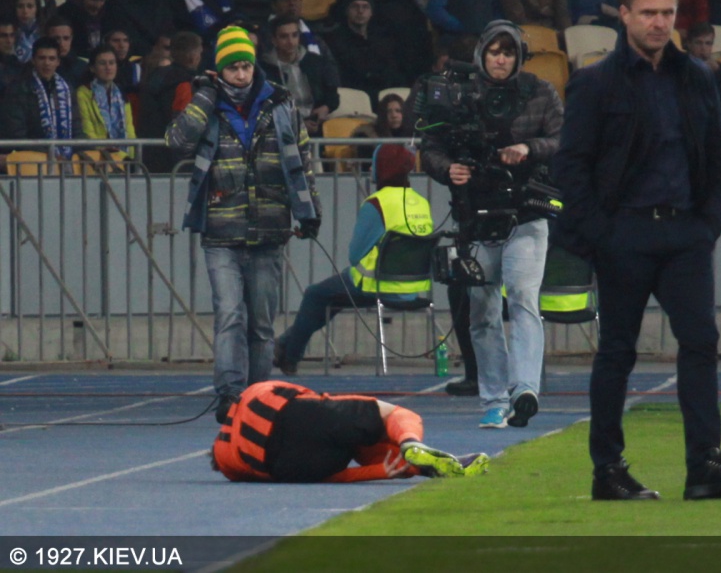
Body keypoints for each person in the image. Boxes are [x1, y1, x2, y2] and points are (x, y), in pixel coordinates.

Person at [551, 0, 721, 501]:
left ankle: (705, 465)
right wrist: (601, 234)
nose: (659, 23)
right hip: (623, 233)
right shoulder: (595, 83)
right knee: (617, 352)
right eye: (648, 13)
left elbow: (717, 156)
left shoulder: (697, 77)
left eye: (667, 13)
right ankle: (608, 471)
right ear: (624, 15)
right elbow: (571, 166)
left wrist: (708, 224)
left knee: (702, 342)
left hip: (685, 233)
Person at [164, 26, 322, 423]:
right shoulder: (207, 103)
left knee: (262, 324)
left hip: (269, 229)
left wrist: (310, 211)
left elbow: (303, 160)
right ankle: (230, 395)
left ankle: (258, 397)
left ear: (254, 67)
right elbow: (176, 141)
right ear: (219, 69)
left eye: (245, 67)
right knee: (230, 315)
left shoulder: (280, 103)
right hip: (220, 231)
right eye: (232, 68)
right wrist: (204, 96)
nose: (240, 74)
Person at [421, 20, 563, 429]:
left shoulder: (541, 91)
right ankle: (495, 400)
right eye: (494, 51)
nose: (501, 59)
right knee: (481, 312)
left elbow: (563, 139)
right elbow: (431, 146)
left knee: (522, 298)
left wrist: (528, 148)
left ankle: (524, 390)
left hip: (526, 214)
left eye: (509, 52)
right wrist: (448, 169)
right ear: (482, 54)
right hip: (475, 216)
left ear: (519, 57)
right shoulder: (457, 93)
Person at [273, 144, 429, 374]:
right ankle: (283, 345)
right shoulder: (421, 202)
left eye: (374, 164)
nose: (371, 168)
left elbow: (355, 255)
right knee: (333, 297)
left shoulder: (377, 204)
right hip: (412, 288)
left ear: (382, 168)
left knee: (316, 294)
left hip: (377, 285)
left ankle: (290, 356)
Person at [211, 380, 489, 483]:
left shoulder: (230, 464)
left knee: (355, 443)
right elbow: (301, 400)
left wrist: (380, 472)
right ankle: (410, 442)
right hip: (296, 415)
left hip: (291, 466)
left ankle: (425, 467)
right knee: (395, 415)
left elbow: (328, 477)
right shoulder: (246, 399)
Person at [1, 36, 82, 159]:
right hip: (31, 160)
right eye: (42, 58)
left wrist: (92, 149)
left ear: (58, 62)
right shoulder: (17, 89)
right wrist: (50, 155)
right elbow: (17, 135)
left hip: (64, 159)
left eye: (52, 58)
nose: (47, 63)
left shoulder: (67, 89)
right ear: (33, 60)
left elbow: (76, 129)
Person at [260, 14, 340, 136]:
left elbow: (333, 95)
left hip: (316, 125)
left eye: (294, 35)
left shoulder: (316, 62)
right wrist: (297, 124)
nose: (290, 42)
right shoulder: (264, 69)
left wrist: (326, 107)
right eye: (284, 37)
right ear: (274, 40)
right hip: (281, 129)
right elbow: (265, 108)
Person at [327, 0, 407, 108]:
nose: (360, 11)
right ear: (347, 10)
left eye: (365, 7)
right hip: (353, 100)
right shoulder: (335, 41)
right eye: (355, 6)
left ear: (371, 12)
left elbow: (393, 72)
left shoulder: (383, 40)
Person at [137, 30, 202, 173]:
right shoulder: (184, 84)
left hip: (149, 154)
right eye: (199, 53)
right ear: (192, 57)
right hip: (176, 162)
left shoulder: (154, 76)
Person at [76, 43, 136, 155]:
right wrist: (106, 152)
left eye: (112, 63)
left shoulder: (121, 93)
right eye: (102, 63)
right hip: (98, 157)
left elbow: (130, 130)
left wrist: (131, 157)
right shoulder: (83, 93)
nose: (108, 67)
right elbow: (87, 130)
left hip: (125, 158)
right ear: (92, 68)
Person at [45, 15, 87, 89]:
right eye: (56, 39)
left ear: (71, 39)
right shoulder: (39, 66)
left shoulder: (83, 68)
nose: (61, 44)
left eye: (66, 38)